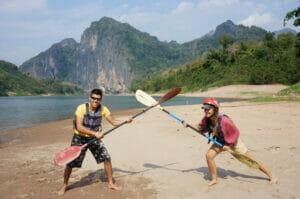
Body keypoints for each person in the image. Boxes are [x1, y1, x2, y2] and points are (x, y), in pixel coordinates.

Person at [184, 97, 277, 186]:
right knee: (209, 156)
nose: (206, 111)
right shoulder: (207, 118)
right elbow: (202, 128)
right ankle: (214, 179)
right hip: (221, 140)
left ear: (215, 109)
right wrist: (189, 125)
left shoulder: (225, 120)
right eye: (204, 109)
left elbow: (235, 133)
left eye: (208, 109)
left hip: (234, 142)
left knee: (251, 160)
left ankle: (272, 176)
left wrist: (228, 145)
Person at [58, 88, 133, 195]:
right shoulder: (81, 108)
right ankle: (64, 185)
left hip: (94, 139)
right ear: (90, 98)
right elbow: (79, 127)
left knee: (107, 159)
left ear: (101, 100)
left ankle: (111, 183)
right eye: (93, 98)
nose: (95, 101)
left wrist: (125, 121)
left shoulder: (103, 109)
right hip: (80, 138)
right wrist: (95, 133)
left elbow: (113, 122)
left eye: (98, 99)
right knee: (70, 163)